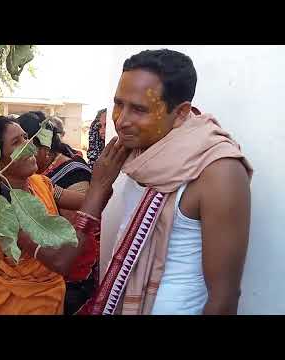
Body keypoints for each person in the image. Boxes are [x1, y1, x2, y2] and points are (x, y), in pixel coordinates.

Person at [80, 49, 253, 315]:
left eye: (139, 109)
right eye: (118, 103)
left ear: (181, 112)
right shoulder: (136, 154)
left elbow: (225, 298)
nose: (122, 120)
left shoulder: (219, 170)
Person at [0, 116, 129, 315]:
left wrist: (107, 178)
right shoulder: (3, 212)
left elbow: (93, 202)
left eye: (26, 137)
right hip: (15, 306)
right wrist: (99, 186)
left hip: (50, 301)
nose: (29, 146)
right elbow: (60, 261)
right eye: (16, 142)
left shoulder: (41, 184)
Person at [16, 111, 96, 314]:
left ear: (44, 147)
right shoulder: (32, 181)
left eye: (26, 142)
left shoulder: (69, 173)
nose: (23, 151)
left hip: (68, 275)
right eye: (16, 144)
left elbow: (72, 233)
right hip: (36, 281)